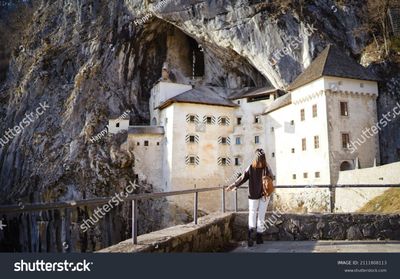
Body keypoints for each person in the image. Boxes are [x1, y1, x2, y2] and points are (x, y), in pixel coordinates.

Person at [227, 149, 274, 247]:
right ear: (264, 157)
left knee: (252, 214)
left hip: (253, 194)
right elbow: (272, 177)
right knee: (261, 215)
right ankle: (259, 238)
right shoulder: (266, 167)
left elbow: (242, 178)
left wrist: (233, 186)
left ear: (255, 157)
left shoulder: (251, 167)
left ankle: (250, 237)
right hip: (265, 194)